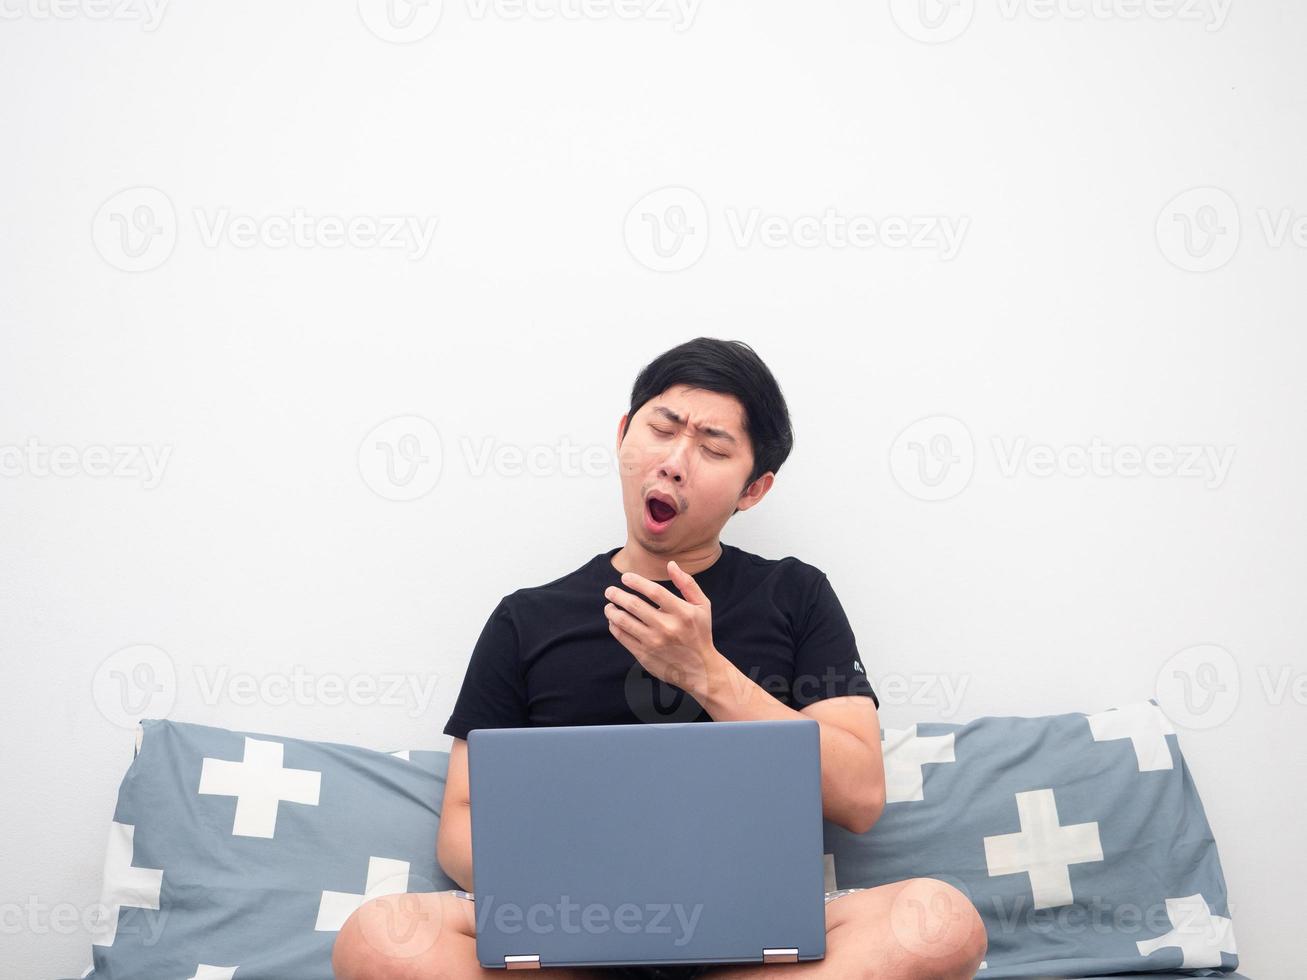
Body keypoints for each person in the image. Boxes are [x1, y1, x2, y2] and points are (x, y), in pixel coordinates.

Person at [332, 337, 987, 980]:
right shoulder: (525, 618)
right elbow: (462, 821)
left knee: (939, 922)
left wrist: (705, 673)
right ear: (623, 433)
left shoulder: (796, 594)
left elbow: (860, 795)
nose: (675, 462)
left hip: (757, 938)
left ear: (753, 489)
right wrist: (602, 898)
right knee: (378, 941)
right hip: (566, 934)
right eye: (663, 428)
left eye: (711, 447)